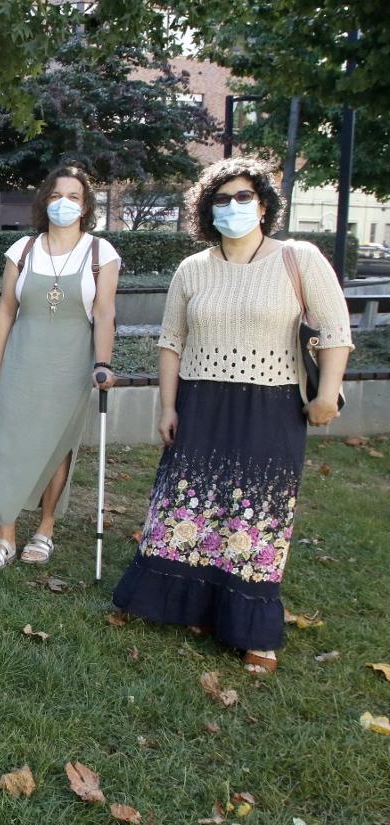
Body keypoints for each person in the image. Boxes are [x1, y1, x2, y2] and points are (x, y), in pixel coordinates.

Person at [113, 157, 352, 674]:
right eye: (221, 200)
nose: (233, 207)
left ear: (263, 205)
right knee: (187, 505)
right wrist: (168, 405)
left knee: (258, 514)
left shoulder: (299, 258)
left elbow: (335, 330)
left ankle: (253, 629)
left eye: (244, 197)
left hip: (271, 406)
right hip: (200, 402)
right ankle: (184, 604)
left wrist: (328, 394)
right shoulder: (192, 269)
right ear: (207, 210)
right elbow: (172, 342)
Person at [0, 165, 121, 570]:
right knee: (9, 442)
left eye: (73, 197)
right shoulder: (23, 249)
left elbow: (104, 313)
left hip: (71, 364)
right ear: (44, 201)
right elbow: (6, 311)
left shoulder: (101, 253)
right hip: (22, 360)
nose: (63, 203)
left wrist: (103, 363)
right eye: (55, 195)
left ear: (85, 206)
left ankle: (45, 529)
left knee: (58, 446)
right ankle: (5, 534)